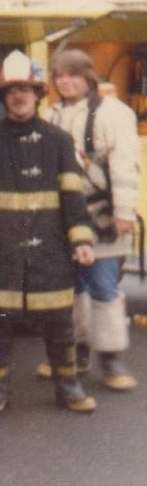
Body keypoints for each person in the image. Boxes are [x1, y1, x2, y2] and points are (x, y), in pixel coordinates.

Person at [0, 50, 97, 414]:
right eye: (11, 89)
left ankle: (68, 387)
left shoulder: (58, 141)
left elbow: (74, 199)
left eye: (25, 88)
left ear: (38, 93)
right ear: (2, 95)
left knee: (59, 324)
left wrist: (82, 240)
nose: (19, 95)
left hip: (51, 253)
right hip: (0, 252)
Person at [36, 49, 139, 390]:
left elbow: (125, 164)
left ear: (88, 78)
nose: (65, 81)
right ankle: (76, 353)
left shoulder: (115, 114)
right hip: (63, 218)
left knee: (103, 285)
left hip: (103, 215)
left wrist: (124, 212)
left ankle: (110, 358)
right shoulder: (49, 116)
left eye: (73, 75)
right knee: (71, 287)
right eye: (60, 75)